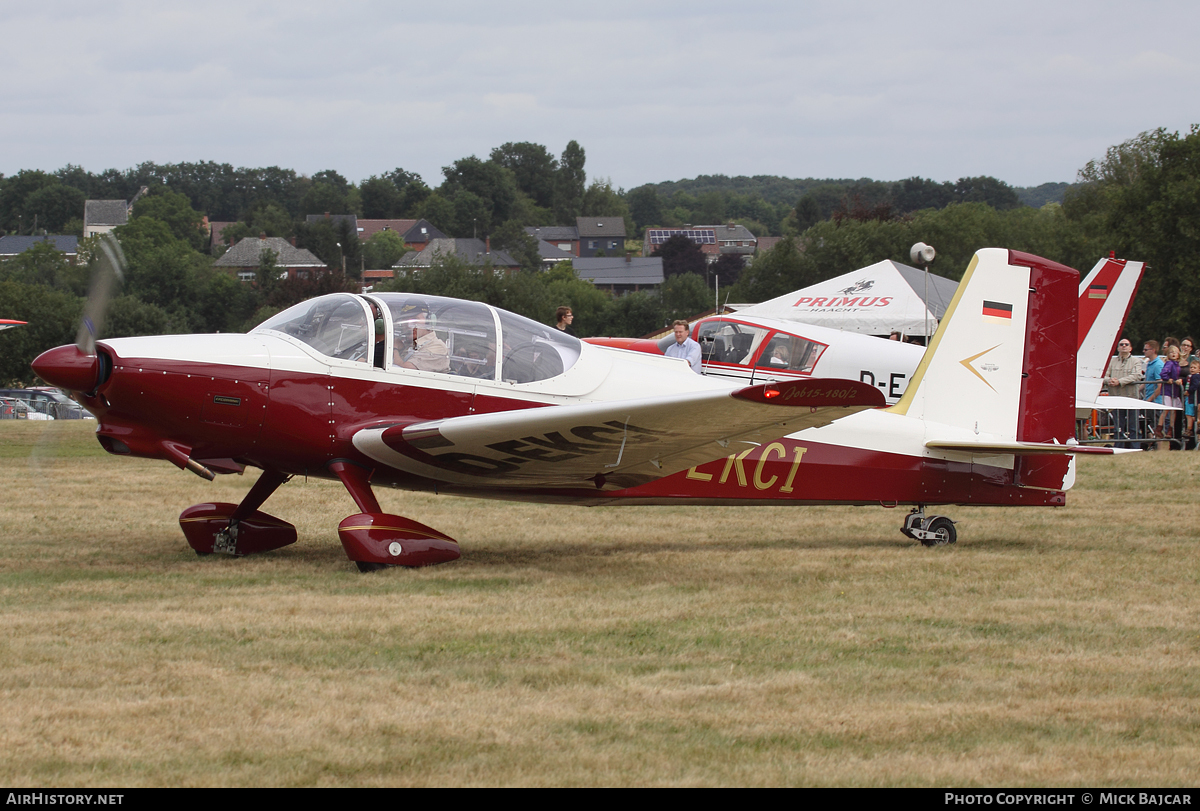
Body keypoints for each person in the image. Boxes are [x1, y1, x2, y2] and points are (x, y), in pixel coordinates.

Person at [393, 304, 450, 373]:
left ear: (428, 322)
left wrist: (394, 348)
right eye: (405, 320)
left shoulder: (438, 347)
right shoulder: (407, 344)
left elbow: (406, 370)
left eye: (415, 319)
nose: (408, 325)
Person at [1105, 338, 1142, 441]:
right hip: (1115, 398)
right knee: (1118, 426)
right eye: (1121, 344)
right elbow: (1104, 376)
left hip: (1131, 398)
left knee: (1133, 426)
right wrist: (1109, 380)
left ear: (1131, 348)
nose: (1124, 346)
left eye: (1126, 344)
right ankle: (1119, 445)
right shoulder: (1111, 361)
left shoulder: (1136, 361)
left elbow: (1136, 375)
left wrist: (1120, 381)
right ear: (1118, 348)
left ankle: (1134, 447)